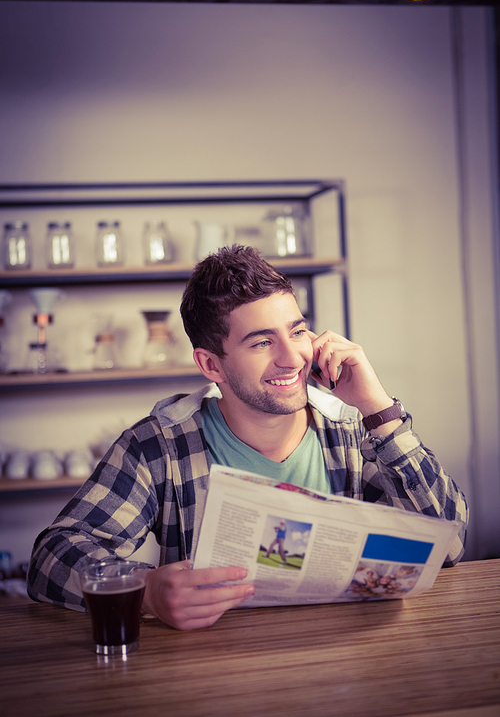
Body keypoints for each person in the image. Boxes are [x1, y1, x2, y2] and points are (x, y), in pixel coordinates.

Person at [27, 245, 468, 630]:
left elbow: (448, 542)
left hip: (345, 662)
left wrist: (378, 408)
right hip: (215, 673)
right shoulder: (158, 445)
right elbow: (51, 556)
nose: (292, 357)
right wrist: (144, 592)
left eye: (297, 331)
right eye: (261, 343)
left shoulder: (355, 430)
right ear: (211, 366)